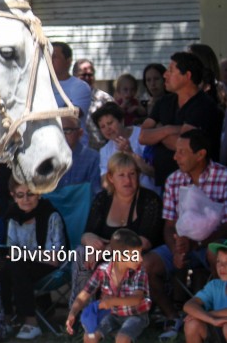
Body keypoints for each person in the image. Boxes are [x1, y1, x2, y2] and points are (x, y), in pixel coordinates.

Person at [143, 129, 227, 339]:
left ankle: (217, 314)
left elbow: (226, 225)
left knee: (215, 255)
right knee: (146, 265)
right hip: (183, 244)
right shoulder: (174, 180)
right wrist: (176, 249)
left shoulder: (224, 177)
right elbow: (169, 224)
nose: (175, 156)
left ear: (200, 155)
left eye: (182, 152)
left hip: (212, 244)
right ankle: (173, 315)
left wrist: (197, 244)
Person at [70, 152, 162, 300]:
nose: (128, 180)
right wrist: (91, 240)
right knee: (82, 253)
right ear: (111, 178)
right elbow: (86, 234)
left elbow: (145, 241)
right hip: (104, 253)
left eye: (132, 174)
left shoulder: (149, 200)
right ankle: (82, 310)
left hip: (135, 255)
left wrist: (109, 249)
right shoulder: (102, 199)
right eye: (122, 175)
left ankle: (111, 314)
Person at [139, 52, 223, 187]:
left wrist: (158, 132)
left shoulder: (203, 105)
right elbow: (142, 136)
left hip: (197, 184)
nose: (165, 74)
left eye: (171, 70)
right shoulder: (164, 102)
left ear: (187, 76)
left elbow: (185, 146)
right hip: (165, 183)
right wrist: (169, 129)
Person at [1, 176, 66, 340]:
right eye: (20, 195)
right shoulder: (13, 217)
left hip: (49, 266)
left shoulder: (51, 216)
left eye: (30, 194)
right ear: (13, 196)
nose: (25, 199)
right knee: (1, 265)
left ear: (39, 194)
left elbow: (55, 258)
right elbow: (11, 250)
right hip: (26, 264)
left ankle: (31, 322)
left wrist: (23, 255)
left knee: (18, 266)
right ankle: (6, 318)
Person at [66, 228, 150, 343]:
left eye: (140, 254)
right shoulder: (103, 270)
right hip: (112, 314)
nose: (140, 259)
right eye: (135, 255)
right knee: (90, 336)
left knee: (122, 338)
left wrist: (112, 301)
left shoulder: (140, 272)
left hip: (135, 315)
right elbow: (85, 294)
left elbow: (136, 299)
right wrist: (73, 312)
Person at [92, 102, 157, 193]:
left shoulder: (143, 135)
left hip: (150, 195)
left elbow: (154, 172)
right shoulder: (104, 151)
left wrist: (130, 153)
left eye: (110, 123)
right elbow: (105, 181)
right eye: (103, 127)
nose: (107, 129)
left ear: (121, 121)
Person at [183, 241, 227, 343]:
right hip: (218, 326)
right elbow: (189, 305)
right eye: (218, 261)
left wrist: (207, 314)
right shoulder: (215, 285)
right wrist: (211, 319)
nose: (221, 267)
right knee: (192, 323)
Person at [51, 42, 91, 147]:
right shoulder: (40, 85)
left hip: (75, 148)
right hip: (50, 145)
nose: (49, 60)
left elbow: (73, 115)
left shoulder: (80, 87)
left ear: (68, 61)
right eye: (47, 56)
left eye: (54, 57)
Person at [55, 112, 101, 196]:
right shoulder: (50, 158)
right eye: (59, 131)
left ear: (80, 133)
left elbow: (96, 192)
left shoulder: (93, 158)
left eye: (67, 131)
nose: (62, 135)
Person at [73, 58, 114, 150]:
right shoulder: (68, 100)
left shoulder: (105, 99)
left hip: (101, 151)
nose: (87, 78)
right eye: (83, 75)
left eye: (90, 75)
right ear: (74, 76)